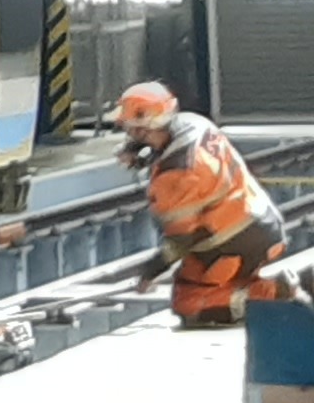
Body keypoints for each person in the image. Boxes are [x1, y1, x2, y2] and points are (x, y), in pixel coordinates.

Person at [121, 81, 288, 325]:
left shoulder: (177, 176)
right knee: (191, 281)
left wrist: (150, 272)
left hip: (234, 241)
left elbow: (179, 242)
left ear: (144, 129)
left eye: (133, 129)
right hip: (257, 222)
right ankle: (257, 287)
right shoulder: (194, 123)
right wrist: (137, 150)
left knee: (189, 304)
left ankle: (273, 293)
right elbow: (165, 143)